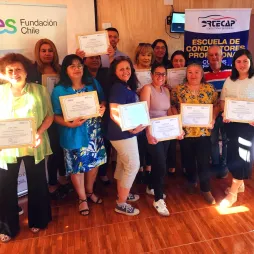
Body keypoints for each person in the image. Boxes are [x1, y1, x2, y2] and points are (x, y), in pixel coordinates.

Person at [0, 53, 53, 242]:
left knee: (37, 182)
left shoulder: (40, 90)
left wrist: (38, 133)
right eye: (10, 70)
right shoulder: (0, 92)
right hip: (6, 149)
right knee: (5, 186)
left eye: (18, 69)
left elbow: (49, 116)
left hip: (34, 144)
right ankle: (7, 227)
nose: (14, 73)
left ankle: (38, 220)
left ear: (26, 71)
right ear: (4, 73)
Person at [51, 54, 107, 216]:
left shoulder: (92, 84)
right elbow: (55, 115)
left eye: (79, 65)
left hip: (94, 132)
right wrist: (68, 123)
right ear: (66, 70)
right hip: (72, 133)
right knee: (77, 167)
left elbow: (102, 100)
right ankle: (82, 198)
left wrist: (102, 107)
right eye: (72, 66)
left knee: (94, 163)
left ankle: (89, 192)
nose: (77, 69)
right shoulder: (59, 90)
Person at [171, 62, 219, 204]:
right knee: (188, 160)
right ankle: (192, 181)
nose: (193, 75)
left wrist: (213, 118)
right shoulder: (178, 89)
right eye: (190, 72)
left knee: (204, 162)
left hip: (203, 132)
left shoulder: (209, 88)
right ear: (186, 74)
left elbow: (216, 106)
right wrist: (176, 122)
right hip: (185, 132)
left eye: (196, 72)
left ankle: (206, 189)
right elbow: (173, 106)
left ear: (202, 74)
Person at [140, 63, 184, 216]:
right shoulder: (147, 89)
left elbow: (169, 110)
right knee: (160, 165)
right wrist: (148, 133)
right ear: (152, 75)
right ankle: (158, 199)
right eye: (157, 74)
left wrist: (178, 129)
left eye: (163, 74)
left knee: (161, 161)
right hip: (153, 132)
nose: (160, 77)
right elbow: (144, 112)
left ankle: (151, 187)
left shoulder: (166, 90)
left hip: (166, 132)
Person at [31, 38, 71, 200]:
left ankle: (63, 179)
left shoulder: (61, 69)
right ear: (38, 53)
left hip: (62, 114)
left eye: (50, 50)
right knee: (53, 151)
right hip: (44, 116)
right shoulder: (33, 71)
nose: (47, 54)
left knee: (61, 148)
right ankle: (53, 183)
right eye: (44, 50)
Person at [108, 56, 146, 216]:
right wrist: (130, 128)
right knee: (133, 165)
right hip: (122, 134)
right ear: (115, 72)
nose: (125, 71)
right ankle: (121, 203)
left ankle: (122, 193)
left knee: (123, 165)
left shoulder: (125, 87)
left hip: (124, 133)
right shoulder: (117, 88)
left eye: (128, 68)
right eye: (121, 69)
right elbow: (114, 113)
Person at [220, 49, 254, 208]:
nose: (242, 65)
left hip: (249, 126)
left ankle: (233, 193)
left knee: (243, 155)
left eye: (245, 61)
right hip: (232, 124)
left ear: (250, 62)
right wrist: (225, 111)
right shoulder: (229, 80)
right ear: (234, 63)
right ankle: (239, 184)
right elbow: (222, 101)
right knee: (233, 154)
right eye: (238, 61)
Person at [204, 45, 232, 178]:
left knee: (226, 140)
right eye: (211, 55)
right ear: (207, 57)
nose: (214, 57)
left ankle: (224, 164)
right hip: (212, 113)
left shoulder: (231, 72)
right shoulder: (203, 74)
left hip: (227, 112)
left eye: (217, 54)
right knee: (213, 139)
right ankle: (215, 163)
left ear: (222, 56)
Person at [133, 43, 155, 183]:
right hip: (136, 110)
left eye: (149, 55)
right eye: (143, 54)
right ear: (137, 56)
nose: (146, 58)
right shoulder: (132, 70)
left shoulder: (154, 71)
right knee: (139, 140)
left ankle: (148, 168)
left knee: (151, 140)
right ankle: (139, 169)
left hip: (152, 109)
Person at [167, 50, 188, 176]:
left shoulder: (190, 74)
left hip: (187, 113)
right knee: (172, 140)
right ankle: (172, 166)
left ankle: (185, 166)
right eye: (175, 60)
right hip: (171, 109)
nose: (178, 63)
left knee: (185, 140)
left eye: (181, 60)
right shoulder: (167, 75)